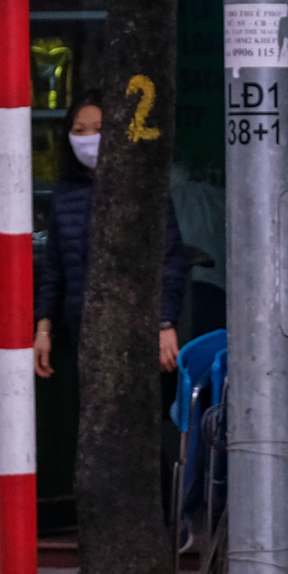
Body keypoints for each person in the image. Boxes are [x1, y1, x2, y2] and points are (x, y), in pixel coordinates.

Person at [33, 91, 191, 381]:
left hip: (138, 333)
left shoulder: (143, 189)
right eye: (79, 131)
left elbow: (170, 259)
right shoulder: (65, 196)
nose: (89, 138)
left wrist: (165, 323)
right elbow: (55, 270)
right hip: (80, 334)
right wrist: (43, 330)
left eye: (99, 129)